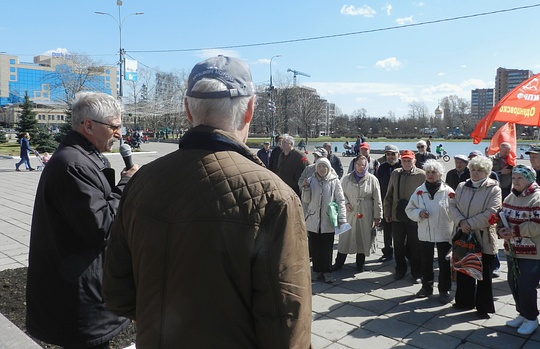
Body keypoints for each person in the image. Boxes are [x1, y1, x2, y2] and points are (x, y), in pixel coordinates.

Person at [102, 56, 312, 348]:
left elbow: (117, 294)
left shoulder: (141, 182)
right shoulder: (274, 196)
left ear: (188, 109)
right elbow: (287, 324)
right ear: (249, 109)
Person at [26, 92, 139, 348]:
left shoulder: (81, 158)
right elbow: (103, 227)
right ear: (88, 125)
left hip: (83, 292)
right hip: (79, 297)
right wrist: (127, 185)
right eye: (114, 126)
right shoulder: (73, 165)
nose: (119, 134)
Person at [449, 156, 501, 319]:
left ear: (486, 172)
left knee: (484, 274)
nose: (475, 173)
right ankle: (464, 301)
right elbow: (452, 206)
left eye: (479, 170)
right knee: (464, 269)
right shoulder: (462, 186)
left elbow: (491, 212)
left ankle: (483, 306)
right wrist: (460, 221)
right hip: (463, 236)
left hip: (483, 237)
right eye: (473, 170)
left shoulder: (494, 189)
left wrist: (469, 224)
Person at [498, 165, 540, 335]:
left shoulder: (536, 198)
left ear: (529, 179)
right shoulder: (510, 196)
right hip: (513, 249)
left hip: (533, 251)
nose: (515, 182)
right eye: (513, 178)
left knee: (525, 285)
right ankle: (522, 313)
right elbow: (502, 216)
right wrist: (500, 229)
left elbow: (537, 224)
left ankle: (531, 318)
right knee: (513, 283)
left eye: (519, 178)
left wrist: (514, 231)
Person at [405, 160, 454, 304]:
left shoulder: (448, 191)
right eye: (428, 172)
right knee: (425, 261)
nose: (430, 175)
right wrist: (419, 213)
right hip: (425, 232)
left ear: (440, 174)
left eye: (433, 172)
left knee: (444, 263)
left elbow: (456, 211)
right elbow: (409, 209)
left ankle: (444, 290)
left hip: (443, 231)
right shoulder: (419, 191)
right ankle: (426, 287)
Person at [334, 155, 382, 272]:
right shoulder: (346, 179)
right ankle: (338, 263)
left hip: (365, 213)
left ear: (366, 166)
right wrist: (345, 203)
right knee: (345, 238)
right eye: (358, 164)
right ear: (355, 164)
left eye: (363, 165)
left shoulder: (372, 179)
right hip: (349, 213)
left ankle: (360, 264)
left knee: (363, 238)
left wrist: (378, 216)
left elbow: (377, 199)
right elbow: (340, 194)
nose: (360, 167)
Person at [302, 158, 346, 283]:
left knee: (327, 248)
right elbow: (305, 200)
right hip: (313, 219)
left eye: (324, 166)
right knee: (315, 248)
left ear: (328, 168)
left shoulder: (334, 181)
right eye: (319, 166)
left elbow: (340, 200)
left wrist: (342, 217)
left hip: (328, 219)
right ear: (316, 168)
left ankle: (327, 272)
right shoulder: (310, 180)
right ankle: (316, 271)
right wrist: (305, 188)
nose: (322, 169)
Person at [384, 149, 425, 282]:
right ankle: (400, 269)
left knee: (415, 246)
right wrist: (387, 212)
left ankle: (416, 272)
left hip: (414, 216)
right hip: (398, 215)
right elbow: (389, 194)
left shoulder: (422, 175)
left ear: (414, 161)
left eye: (409, 160)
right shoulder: (396, 173)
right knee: (398, 245)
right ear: (401, 161)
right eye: (404, 160)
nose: (406, 163)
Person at [375, 144, 402, 262]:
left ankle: (403, 253)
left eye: (393, 154)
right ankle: (387, 252)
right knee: (387, 228)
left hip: (401, 203)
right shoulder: (382, 167)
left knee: (401, 230)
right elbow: (377, 184)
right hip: (386, 201)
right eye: (388, 154)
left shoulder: (403, 166)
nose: (390, 156)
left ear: (398, 155)